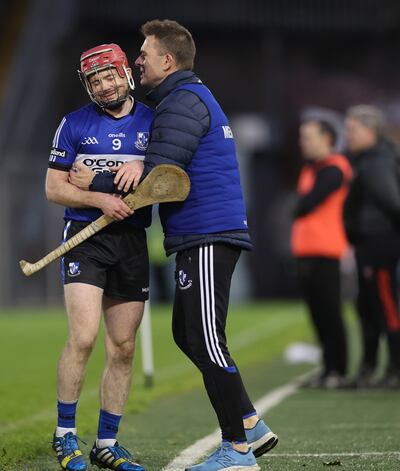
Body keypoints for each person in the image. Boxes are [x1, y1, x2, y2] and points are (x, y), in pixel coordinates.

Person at [70, 19, 278, 471]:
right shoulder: (182, 98)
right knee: (187, 334)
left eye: (144, 54)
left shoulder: (182, 102)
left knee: (205, 340)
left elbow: (161, 179)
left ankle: (238, 450)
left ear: (167, 60)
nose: (137, 60)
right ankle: (251, 423)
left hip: (206, 234)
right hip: (196, 236)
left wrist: (96, 179)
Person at [46, 43, 153, 471]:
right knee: (85, 336)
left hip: (131, 240)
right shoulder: (73, 124)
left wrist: (138, 169)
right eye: (95, 80)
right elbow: (54, 188)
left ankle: (107, 442)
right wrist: (99, 198)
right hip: (85, 238)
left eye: (110, 76)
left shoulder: (154, 121)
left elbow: (168, 179)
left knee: (123, 346)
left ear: (125, 74)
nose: (105, 86)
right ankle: (65, 435)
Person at [291, 119, 352, 389]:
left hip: (326, 250)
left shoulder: (334, 168)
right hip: (306, 249)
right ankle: (328, 367)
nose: (303, 142)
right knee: (317, 313)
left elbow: (307, 203)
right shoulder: (312, 168)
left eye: (308, 137)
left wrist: (300, 206)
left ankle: (338, 370)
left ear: (327, 138)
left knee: (330, 312)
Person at [344, 105, 400, 389]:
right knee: (369, 308)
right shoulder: (369, 159)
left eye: (352, 129)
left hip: (381, 249)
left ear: (371, 131)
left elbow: (392, 202)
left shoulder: (377, 162)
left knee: (387, 309)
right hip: (373, 248)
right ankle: (376, 367)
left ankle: (395, 370)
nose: (347, 135)